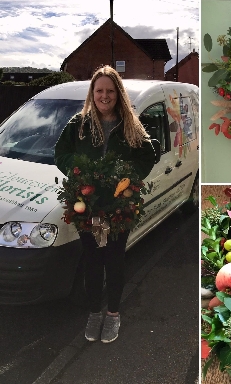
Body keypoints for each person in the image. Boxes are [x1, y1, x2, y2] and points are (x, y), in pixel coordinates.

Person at [54, 65, 156, 343]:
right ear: (92, 93)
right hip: (86, 205)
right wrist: (79, 171)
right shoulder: (79, 124)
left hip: (119, 206)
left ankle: (113, 313)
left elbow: (149, 155)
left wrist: (127, 176)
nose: (104, 95)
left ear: (118, 93)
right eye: (99, 90)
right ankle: (94, 312)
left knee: (114, 260)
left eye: (110, 90)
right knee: (91, 261)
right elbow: (60, 153)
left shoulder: (131, 125)